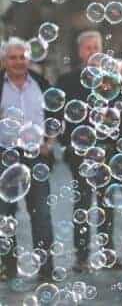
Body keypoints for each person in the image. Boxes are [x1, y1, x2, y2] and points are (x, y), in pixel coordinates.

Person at [57, 30, 122, 272]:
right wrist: (73, 144)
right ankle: (82, 257)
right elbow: (61, 117)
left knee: (107, 204)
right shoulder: (67, 80)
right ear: (79, 52)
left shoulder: (111, 80)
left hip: (107, 151)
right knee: (83, 205)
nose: (93, 51)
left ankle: (108, 255)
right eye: (88, 47)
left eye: (96, 46)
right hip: (81, 152)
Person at [0, 37, 55, 282]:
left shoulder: (41, 83)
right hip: (4, 155)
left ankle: (46, 267)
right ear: (4, 60)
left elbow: (56, 117)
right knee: (4, 215)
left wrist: (49, 143)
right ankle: (6, 267)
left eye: (22, 57)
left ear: (28, 59)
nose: (18, 62)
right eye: (13, 57)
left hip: (36, 157)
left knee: (41, 213)